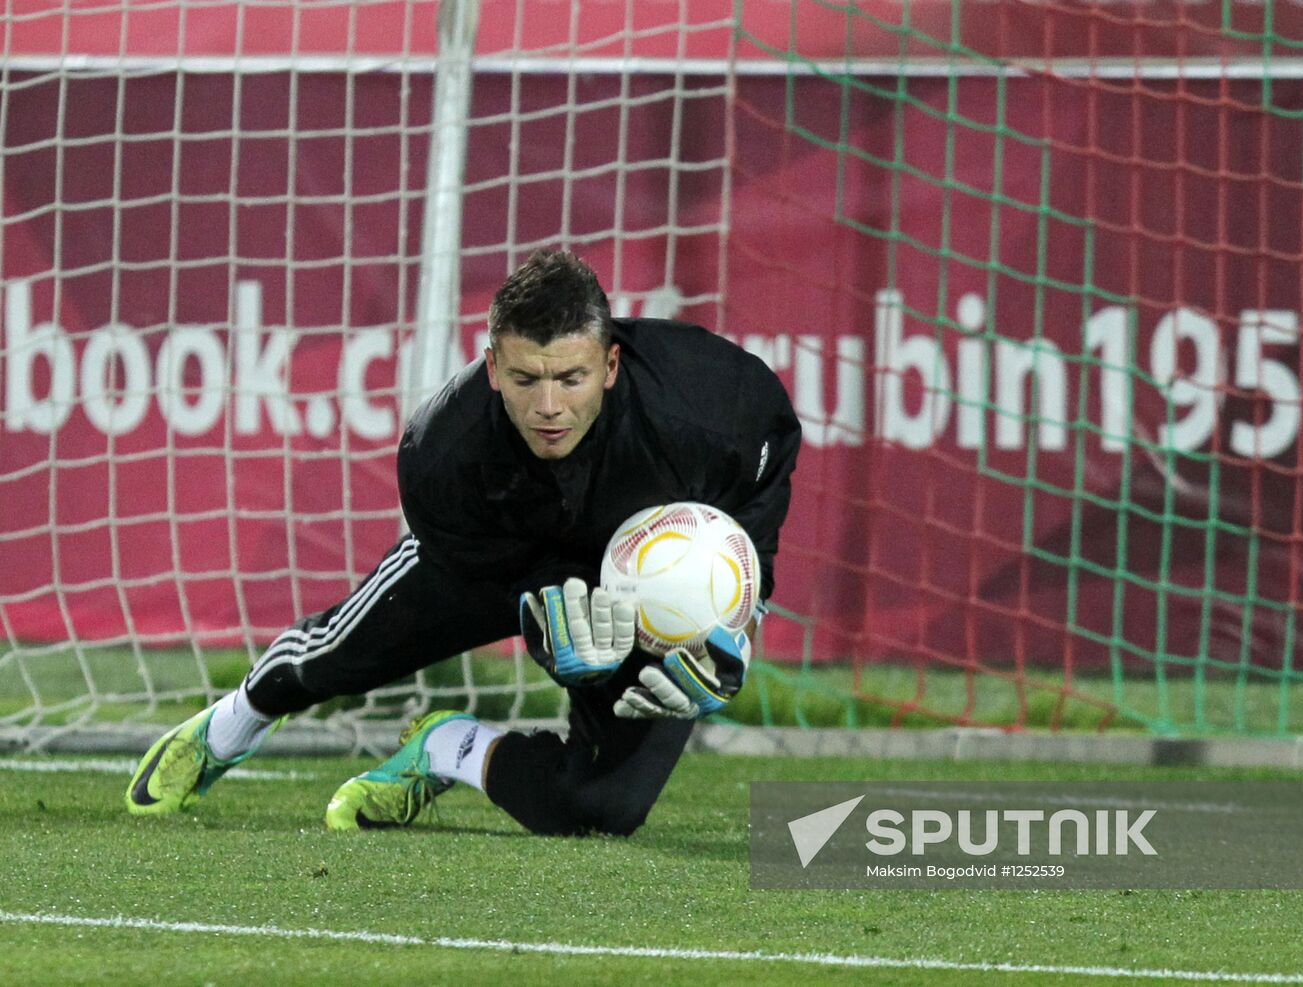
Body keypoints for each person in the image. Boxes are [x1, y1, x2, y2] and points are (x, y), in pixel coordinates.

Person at [124, 250, 801, 836]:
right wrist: (548, 623)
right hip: (493, 553)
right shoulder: (441, 454)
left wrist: (742, 609)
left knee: (604, 806)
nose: (549, 407)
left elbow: (769, 462)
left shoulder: (712, 402)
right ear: (493, 367)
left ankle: (443, 746)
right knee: (334, 657)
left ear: (611, 364)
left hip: (637, 588)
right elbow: (500, 582)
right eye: (526, 379)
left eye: (571, 377)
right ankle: (230, 724)